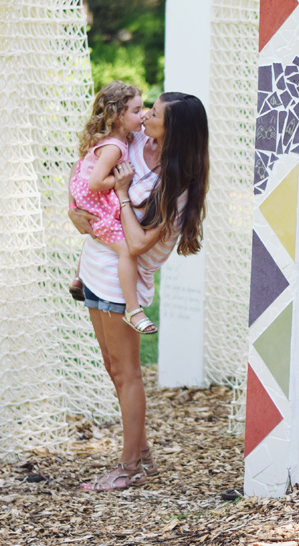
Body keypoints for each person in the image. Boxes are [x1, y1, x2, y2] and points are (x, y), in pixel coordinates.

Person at [68, 91, 209, 491]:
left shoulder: (177, 184)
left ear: (175, 129)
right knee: (114, 369)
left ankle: (128, 467)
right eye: (146, 109)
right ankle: (142, 455)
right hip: (96, 261)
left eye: (155, 113)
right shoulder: (134, 141)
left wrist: (123, 195)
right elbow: (91, 172)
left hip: (123, 274)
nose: (146, 115)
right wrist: (75, 211)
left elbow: (135, 244)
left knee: (128, 374)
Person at [69, 81, 154, 334]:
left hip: (83, 194)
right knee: (127, 249)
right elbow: (96, 182)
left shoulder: (117, 137)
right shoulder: (114, 148)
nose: (143, 115)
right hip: (93, 196)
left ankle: (78, 278)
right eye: (136, 111)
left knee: (102, 232)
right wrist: (121, 183)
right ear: (117, 117)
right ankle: (132, 309)